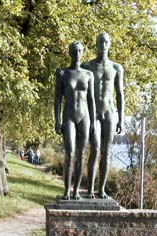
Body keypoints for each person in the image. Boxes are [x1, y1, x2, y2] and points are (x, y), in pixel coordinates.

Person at [81, 33, 125, 199]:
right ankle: (90, 189)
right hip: (92, 112)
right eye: (100, 41)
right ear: (96, 44)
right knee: (95, 149)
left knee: (106, 152)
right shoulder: (87, 65)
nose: (103, 44)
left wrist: (121, 118)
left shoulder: (116, 68)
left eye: (106, 41)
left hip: (109, 112)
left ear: (110, 44)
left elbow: (120, 94)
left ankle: (102, 190)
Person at [54, 41, 96, 200]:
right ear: (69, 53)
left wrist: (93, 122)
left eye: (79, 51)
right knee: (69, 153)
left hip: (84, 116)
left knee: (81, 153)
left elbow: (91, 99)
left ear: (82, 52)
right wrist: (57, 120)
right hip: (69, 116)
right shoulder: (63, 73)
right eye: (74, 51)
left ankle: (76, 190)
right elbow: (57, 99)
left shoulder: (88, 74)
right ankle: (67, 190)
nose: (77, 54)